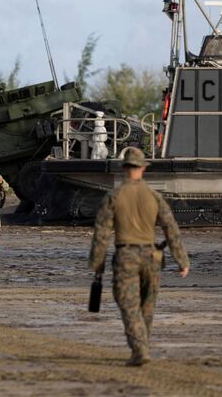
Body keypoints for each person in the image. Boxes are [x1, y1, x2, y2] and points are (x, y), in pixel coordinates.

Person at [88, 147, 190, 366]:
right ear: (143, 168)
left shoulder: (114, 196)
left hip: (126, 256)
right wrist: (182, 261)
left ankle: (139, 349)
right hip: (152, 257)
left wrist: (97, 265)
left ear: (125, 168)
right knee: (147, 306)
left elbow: (102, 233)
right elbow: (171, 228)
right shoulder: (155, 197)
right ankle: (142, 347)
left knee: (129, 305)